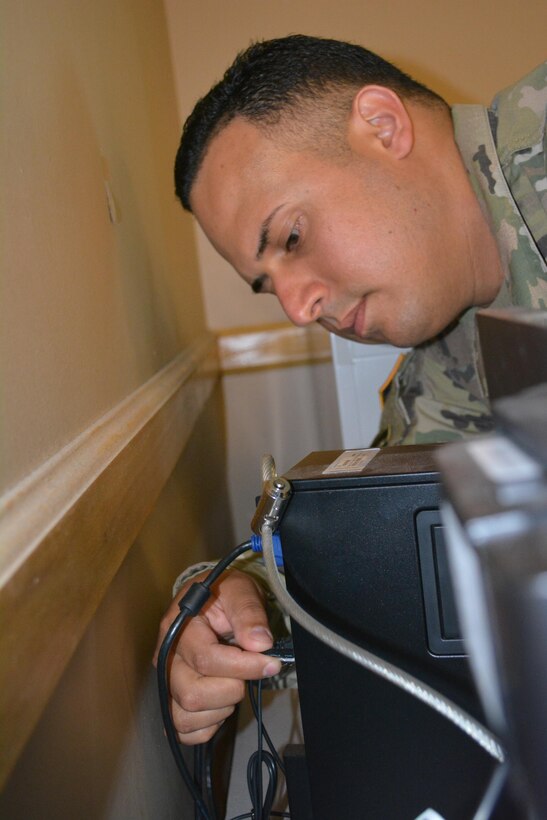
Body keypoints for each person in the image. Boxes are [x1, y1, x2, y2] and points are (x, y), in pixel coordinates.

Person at [155, 36, 547, 746]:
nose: (298, 310)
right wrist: (225, 601)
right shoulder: (449, 358)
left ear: (382, 127)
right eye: (269, 283)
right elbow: (377, 542)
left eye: (293, 237)